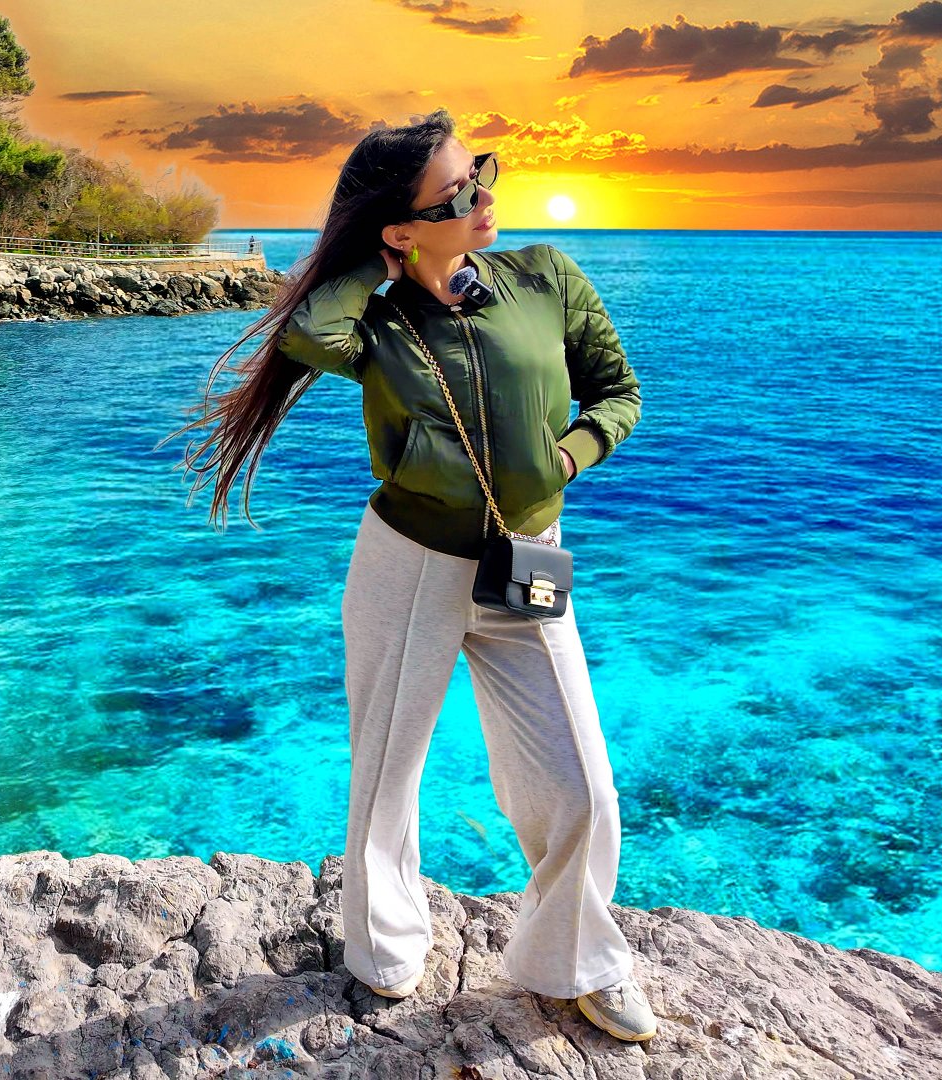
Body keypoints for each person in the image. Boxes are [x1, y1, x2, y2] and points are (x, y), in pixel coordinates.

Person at [160, 108, 652, 1042]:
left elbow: (619, 391)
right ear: (402, 226)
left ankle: (576, 960)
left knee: (581, 783)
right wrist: (380, 265)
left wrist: (568, 456)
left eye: (483, 173)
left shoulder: (545, 277)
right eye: (459, 193)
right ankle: (384, 948)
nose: (486, 196)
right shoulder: (376, 321)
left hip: (526, 560)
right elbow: (309, 332)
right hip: (409, 563)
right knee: (387, 770)